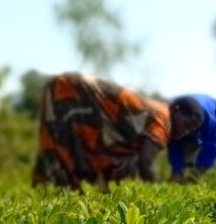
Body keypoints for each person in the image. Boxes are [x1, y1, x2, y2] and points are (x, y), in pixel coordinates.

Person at [33, 72, 169, 190]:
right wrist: (156, 196)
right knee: (60, 153)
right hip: (71, 92)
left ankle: (47, 196)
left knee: (54, 147)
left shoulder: (157, 113)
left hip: (69, 90)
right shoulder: (163, 120)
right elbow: (145, 163)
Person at [167, 95, 216, 182]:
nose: (186, 131)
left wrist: (197, 175)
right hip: (197, 126)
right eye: (185, 125)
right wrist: (177, 170)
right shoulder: (169, 113)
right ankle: (180, 177)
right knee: (183, 153)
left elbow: (212, 148)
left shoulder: (209, 122)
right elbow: (174, 144)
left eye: (190, 128)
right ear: (176, 111)